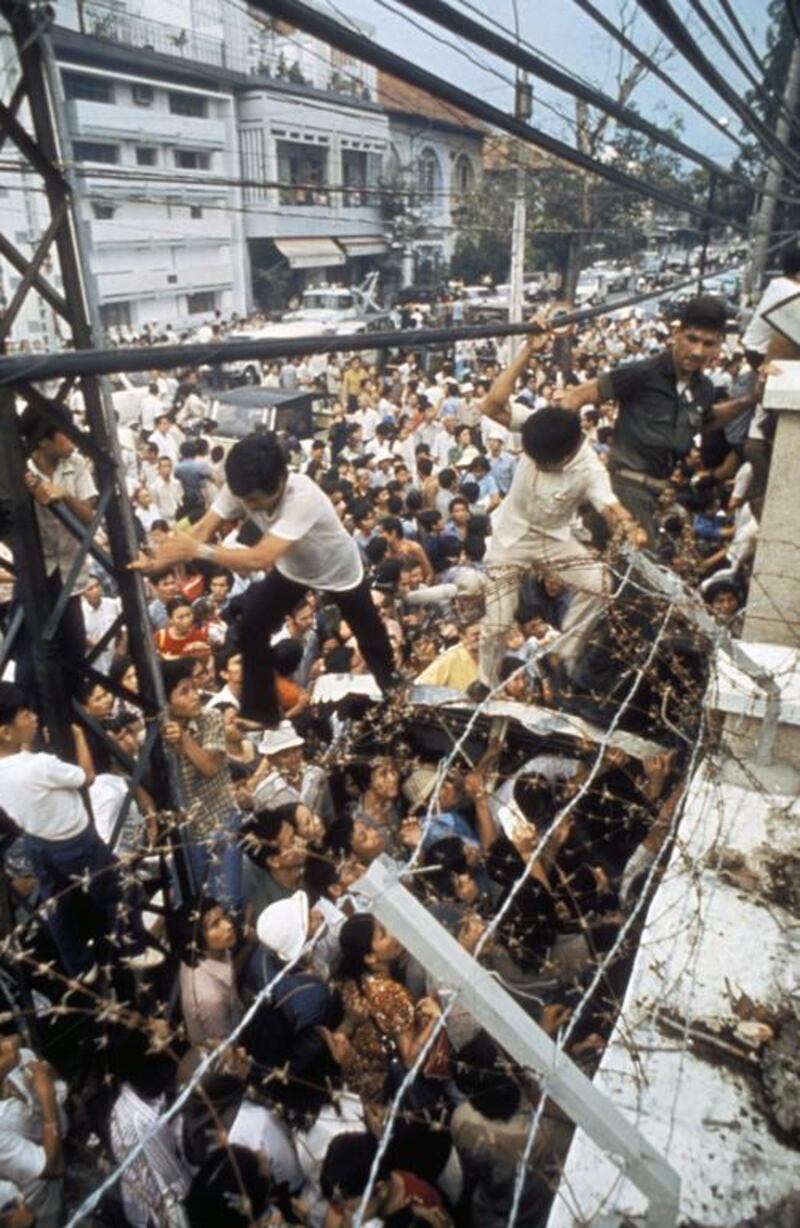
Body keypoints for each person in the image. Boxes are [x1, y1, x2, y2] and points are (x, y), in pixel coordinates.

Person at [134, 433, 395, 725]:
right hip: (294, 568)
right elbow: (201, 530)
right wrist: (156, 562)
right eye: (245, 500)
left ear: (281, 480)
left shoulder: (303, 497)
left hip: (338, 569)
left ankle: (394, 692)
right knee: (251, 626)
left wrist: (198, 551)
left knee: (370, 635)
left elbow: (259, 558)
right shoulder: (240, 488)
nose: (250, 506)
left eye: (256, 501)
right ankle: (261, 711)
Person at [478, 331, 642, 686]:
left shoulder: (588, 468)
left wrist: (628, 526)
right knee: (498, 623)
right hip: (510, 538)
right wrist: (527, 351)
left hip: (554, 541)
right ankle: (486, 683)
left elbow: (610, 506)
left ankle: (561, 653)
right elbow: (492, 404)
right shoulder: (541, 424)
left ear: (568, 452)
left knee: (600, 582)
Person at [562, 296, 763, 545]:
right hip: (623, 492)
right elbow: (573, 399)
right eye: (692, 339)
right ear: (677, 333)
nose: (698, 351)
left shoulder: (704, 388)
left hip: (658, 497)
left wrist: (752, 399)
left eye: (708, 343)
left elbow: (707, 420)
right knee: (637, 578)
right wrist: (584, 464)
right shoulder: (643, 373)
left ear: (719, 345)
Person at [0, 683, 157, 979]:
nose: (34, 717)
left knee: (57, 907)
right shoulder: (40, 765)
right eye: (25, 714)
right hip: (75, 841)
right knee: (121, 891)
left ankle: (80, 967)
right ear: (6, 731)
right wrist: (78, 736)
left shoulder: (15, 766)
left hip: (38, 842)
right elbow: (86, 776)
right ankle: (135, 949)